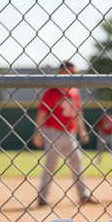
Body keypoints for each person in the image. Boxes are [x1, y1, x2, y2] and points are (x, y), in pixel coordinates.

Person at [31, 60, 99, 207]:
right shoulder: (51, 91)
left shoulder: (74, 90)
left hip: (70, 132)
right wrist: (38, 132)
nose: (74, 76)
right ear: (63, 72)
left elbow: (78, 112)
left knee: (77, 162)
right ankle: (43, 197)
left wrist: (82, 130)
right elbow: (42, 113)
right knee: (51, 164)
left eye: (75, 73)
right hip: (53, 131)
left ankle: (84, 195)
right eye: (72, 73)